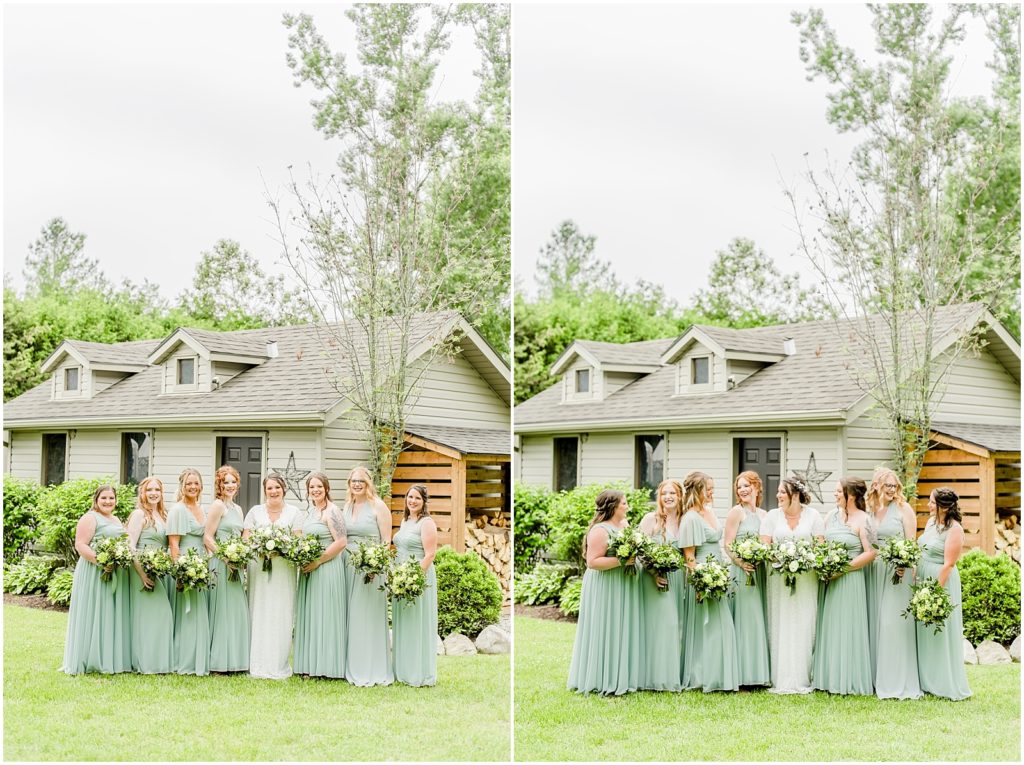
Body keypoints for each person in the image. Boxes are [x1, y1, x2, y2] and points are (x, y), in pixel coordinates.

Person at [567, 489, 644, 694]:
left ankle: (621, 676)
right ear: (613, 506)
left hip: (623, 583)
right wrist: (621, 561)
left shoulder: (625, 526)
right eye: (624, 503)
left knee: (621, 628)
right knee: (605, 627)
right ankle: (600, 679)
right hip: (604, 585)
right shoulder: (600, 530)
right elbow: (592, 562)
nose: (627, 507)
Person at [760, 478, 824, 694]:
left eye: (781, 492)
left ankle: (804, 675)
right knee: (782, 622)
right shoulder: (771, 517)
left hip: (807, 579)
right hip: (778, 579)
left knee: (805, 623)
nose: (777, 495)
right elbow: (764, 548)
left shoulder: (813, 516)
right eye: (778, 492)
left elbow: (821, 547)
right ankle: (781, 676)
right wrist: (783, 559)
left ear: (795, 495)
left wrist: (804, 559)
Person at [812, 477, 876, 695]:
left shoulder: (865, 520)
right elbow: (820, 544)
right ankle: (829, 677)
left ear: (852, 495)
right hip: (830, 580)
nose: (835, 494)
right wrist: (824, 564)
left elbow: (871, 553)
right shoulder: (830, 516)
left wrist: (843, 569)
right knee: (830, 625)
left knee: (848, 627)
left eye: (839, 491)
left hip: (850, 579)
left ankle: (849, 678)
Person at [60, 484, 132, 674]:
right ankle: (88, 658)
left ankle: (107, 657)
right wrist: (101, 561)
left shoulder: (115, 519)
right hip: (93, 571)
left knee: (108, 612)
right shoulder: (90, 518)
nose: (108, 501)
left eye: (111, 498)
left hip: (113, 571)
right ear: (96, 500)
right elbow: (80, 545)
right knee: (93, 611)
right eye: (104, 498)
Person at [678, 471, 739, 692]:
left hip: (719, 572)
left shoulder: (709, 511)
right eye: (708, 488)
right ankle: (703, 675)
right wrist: (699, 582)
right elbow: (689, 557)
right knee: (707, 626)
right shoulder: (690, 518)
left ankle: (721, 674)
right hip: (703, 576)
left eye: (713, 488)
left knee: (721, 624)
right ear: (697, 490)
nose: (712, 492)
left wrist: (720, 574)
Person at [866, 468, 921, 699]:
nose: (891, 490)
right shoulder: (869, 510)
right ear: (876, 485)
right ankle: (875, 679)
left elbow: (911, 543)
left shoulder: (903, 509)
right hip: (874, 571)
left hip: (898, 572)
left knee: (892, 625)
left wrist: (907, 567)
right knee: (875, 623)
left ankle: (897, 681)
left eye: (894, 486)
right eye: (887, 485)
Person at [243, 473, 303, 680]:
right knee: (259, 610)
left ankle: (278, 663)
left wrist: (281, 550)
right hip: (258, 568)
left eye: (277, 487)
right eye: (269, 488)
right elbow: (246, 541)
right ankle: (257, 662)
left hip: (283, 570)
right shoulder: (255, 512)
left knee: (281, 612)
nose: (273, 491)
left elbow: (298, 543)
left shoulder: (294, 512)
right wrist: (260, 549)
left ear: (283, 489)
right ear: (264, 490)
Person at [916, 488, 972, 700]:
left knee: (940, 631)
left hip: (941, 582)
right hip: (923, 578)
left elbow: (949, 564)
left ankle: (944, 682)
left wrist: (932, 593)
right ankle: (926, 680)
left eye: (932, 502)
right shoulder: (931, 523)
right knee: (924, 631)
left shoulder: (955, 530)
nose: (928, 505)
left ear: (944, 506)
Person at [342, 466, 394, 686]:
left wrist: (375, 566)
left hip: (370, 569)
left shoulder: (378, 506)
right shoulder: (346, 506)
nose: (356, 485)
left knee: (367, 616)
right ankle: (350, 664)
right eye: (353, 481)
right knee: (351, 616)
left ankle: (371, 667)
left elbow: (386, 540)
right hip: (347, 567)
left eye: (361, 482)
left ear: (368, 484)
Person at [294, 471, 349, 679]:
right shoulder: (310, 512)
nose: (315, 490)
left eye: (319, 486)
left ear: (326, 488)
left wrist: (318, 561)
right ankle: (309, 664)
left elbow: (341, 542)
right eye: (311, 487)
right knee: (312, 614)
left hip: (327, 568)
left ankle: (326, 667)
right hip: (310, 571)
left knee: (325, 615)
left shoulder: (332, 511)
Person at [723, 470, 770, 687]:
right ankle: (743, 675)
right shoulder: (736, 512)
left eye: (746, 485)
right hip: (741, 572)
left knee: (759, 617)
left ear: (757, 487)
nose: (742, 490)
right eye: (739, 487)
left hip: (759, 572)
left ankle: (759, 673)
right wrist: (741, 563)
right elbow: (728, 544)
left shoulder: (764, 515)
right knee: (746, 618)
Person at [637, 479, 684, 691]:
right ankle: (655, 678)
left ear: (680, 495)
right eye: (664, 493)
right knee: (662, 624)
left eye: (672, 493)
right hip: (653, 578)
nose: (668, 497)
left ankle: (669, 674)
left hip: (677, 578)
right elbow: (639, 548)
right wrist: (654, 572)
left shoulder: (684, 520)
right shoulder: (651, 519)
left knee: (675, 625)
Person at [203, 465, 250, 673]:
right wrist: (225, 558)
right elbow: (207, 537)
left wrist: (240, 557)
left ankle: (237, 661)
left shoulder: (238, 509)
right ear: (219, 485)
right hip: (220, 565)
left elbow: (241, 538)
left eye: (233, 482)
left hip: (236, 565)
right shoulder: (217, 505)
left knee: (236, 611)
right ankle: (219, 663)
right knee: (222, 612)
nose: (230, 486)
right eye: (225, 482)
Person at [391, 483, 439, 687]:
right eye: (410, 497)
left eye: (417, 498)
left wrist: (412, 578)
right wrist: (398, 576)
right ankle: (403, 670)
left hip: (419, 577)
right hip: (401, 578)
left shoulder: (426, 522)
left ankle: (419, 673)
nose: (413, 501)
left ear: (424, 502)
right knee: (404, 623)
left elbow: (430, 554)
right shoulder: (405, 520)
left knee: (418, 623)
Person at [126, 477, 173, 674]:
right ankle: (146, 663)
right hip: (142, 571)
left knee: (161, 617)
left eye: (157, 490)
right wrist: (143, 574)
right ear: (142, 493)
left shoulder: (163, 514)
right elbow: (130, 546)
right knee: (153, 616)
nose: (154, 493)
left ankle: (158, 662)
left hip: (159, 571)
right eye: (149, 490)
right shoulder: (139, 514)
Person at [167, 468, 211, 676]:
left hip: (203, 564)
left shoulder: (204, 509)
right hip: (186, 563)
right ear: (182, 487)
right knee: (189, 613)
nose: (192, 487)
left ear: (201, 486)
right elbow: (174, 544)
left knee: (200, 612)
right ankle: (184, 660)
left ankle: (200, 659)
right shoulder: (178, 510)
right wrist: (180, 572)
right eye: (188, 484)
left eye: (196, 483)